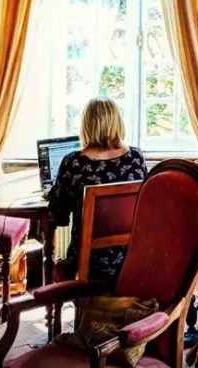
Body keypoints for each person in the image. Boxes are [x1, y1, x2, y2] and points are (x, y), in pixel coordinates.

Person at [47, 97, 147, 284]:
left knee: (59, 261)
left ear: (87, 125)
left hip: (90, 263)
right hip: (131, 258)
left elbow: (59, 216)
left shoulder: (74, 162)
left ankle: (68, 296)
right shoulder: (136, 157)